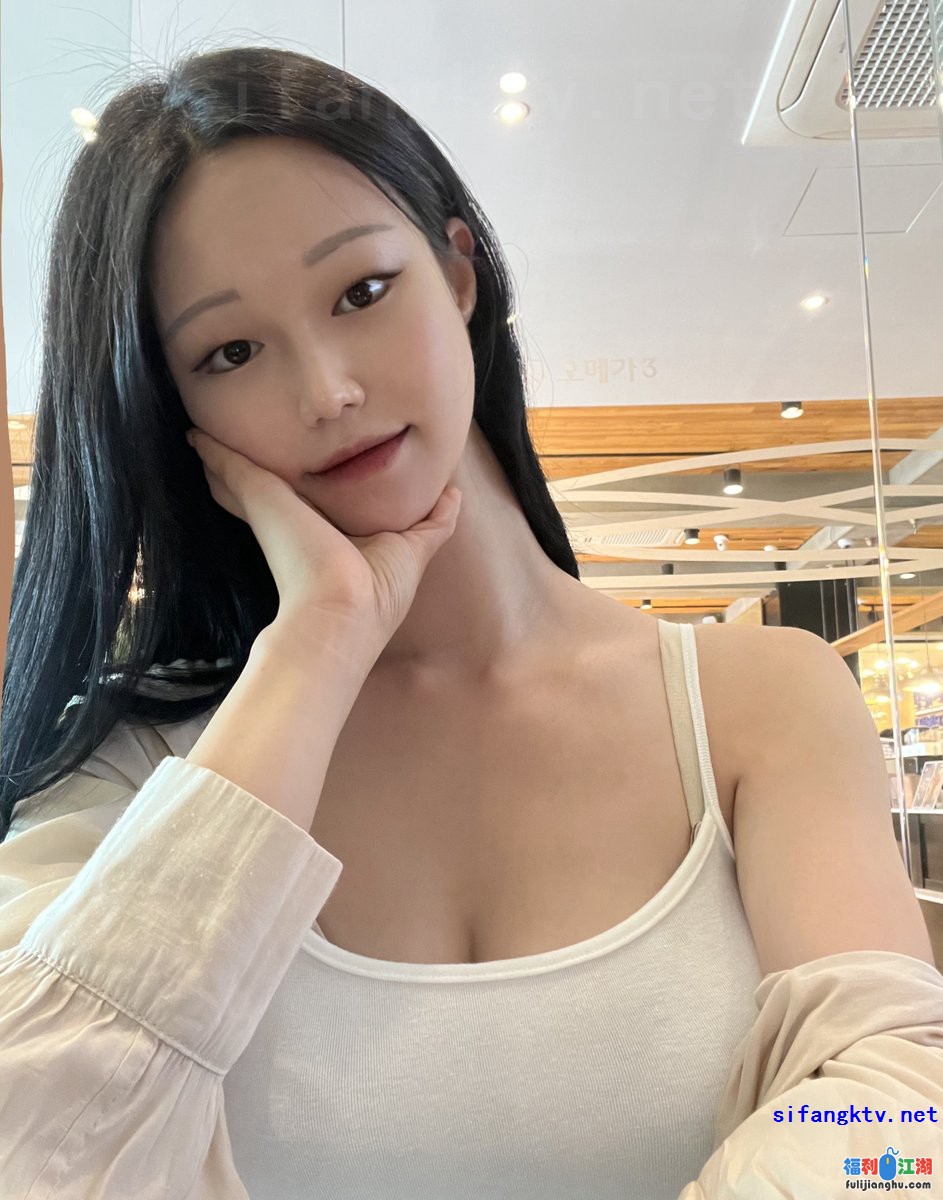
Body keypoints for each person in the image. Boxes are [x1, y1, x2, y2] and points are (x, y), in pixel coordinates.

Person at [0, 44, 941, 1200]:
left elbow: (898, 1118)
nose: (328, 391)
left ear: (456, 273)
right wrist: (313, 649)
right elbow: (28, 1144)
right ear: (171, 401)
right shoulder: (132, 768)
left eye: (361, 291)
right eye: (230, 352)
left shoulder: (760, 701)